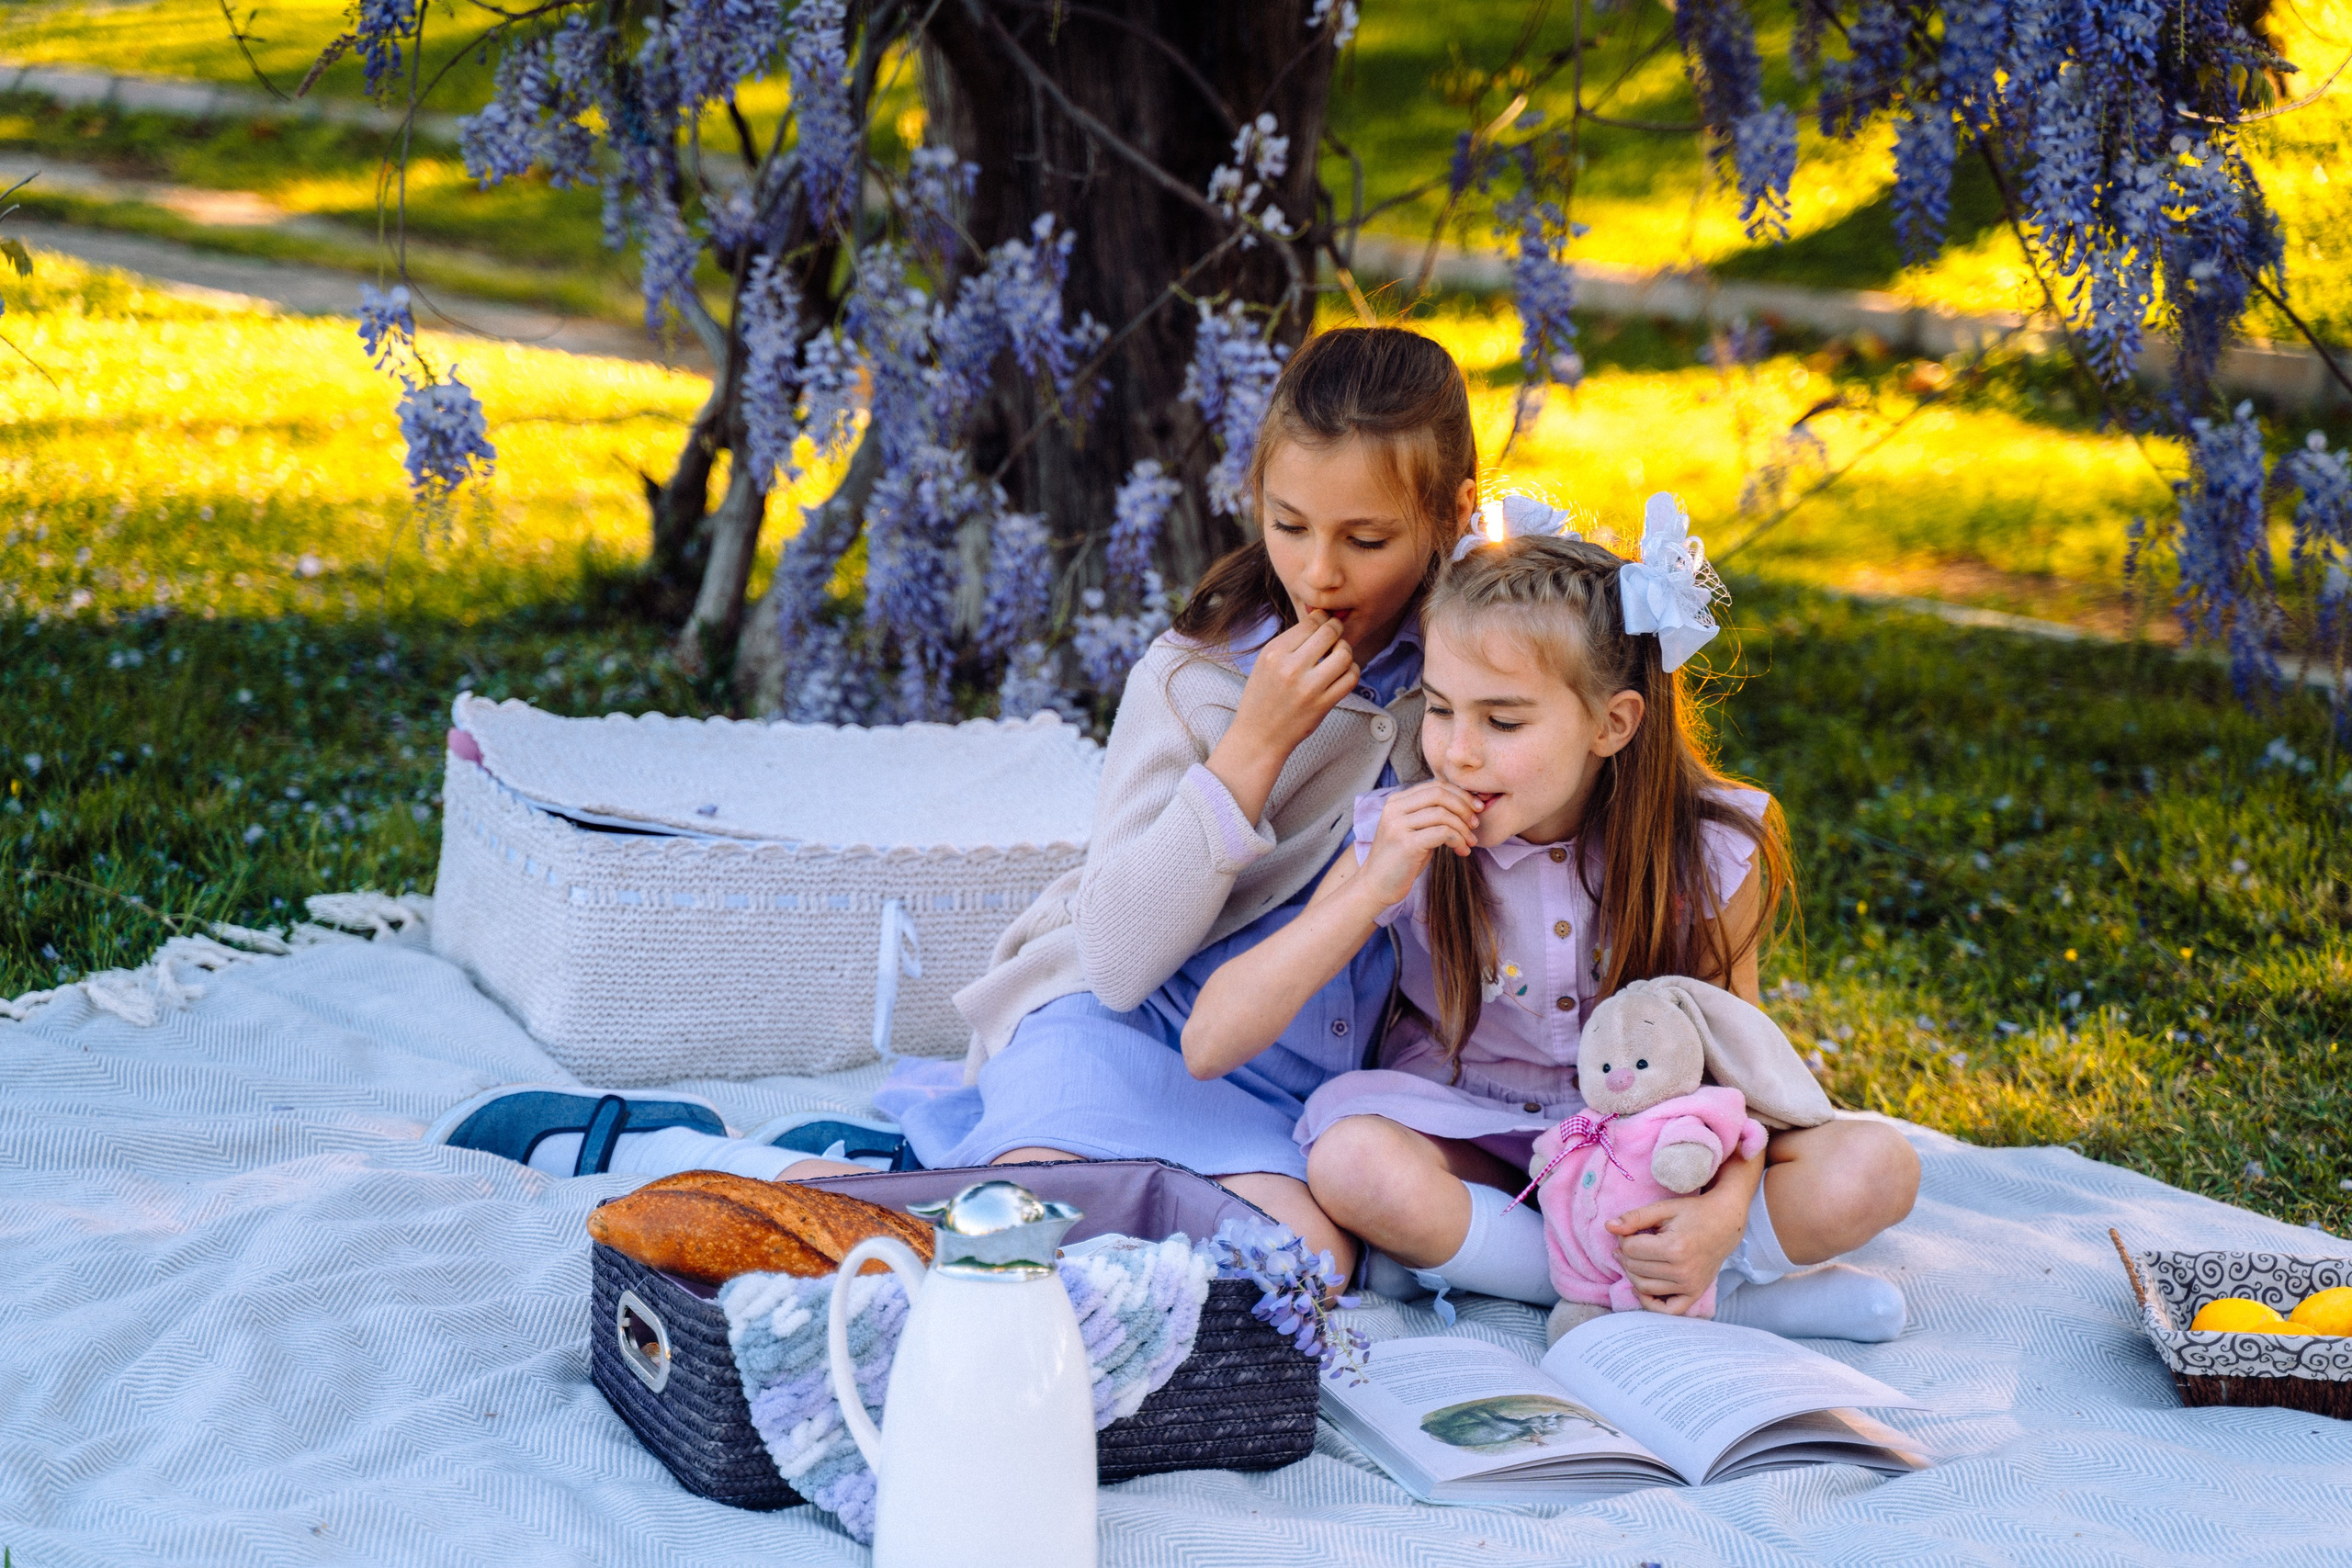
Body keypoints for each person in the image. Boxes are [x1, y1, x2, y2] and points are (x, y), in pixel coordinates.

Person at [427, 326, 1478, 1272]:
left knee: (1301, 1265)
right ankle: (695, 1158)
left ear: (1450, 516)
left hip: (1280, 1082)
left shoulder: (1472, 680)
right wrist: (1251, 751)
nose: (1318, 572)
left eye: (1366, 540)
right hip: (1119, 1027)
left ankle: (860, 1166)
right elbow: (1114, 959)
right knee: (1020, 1227)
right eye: (1288, 525)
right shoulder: (1194, 679)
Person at [1181, 523, 1920, 1340]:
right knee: (1351, 1162)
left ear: (1613, 724)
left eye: (1504, 721)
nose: (1457, 753)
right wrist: (1369, 890)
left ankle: (1624, 1264)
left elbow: (1744, 1067)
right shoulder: (1401, 835)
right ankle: (1666, 1290)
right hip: (1480, 1132)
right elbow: (1209, 1042)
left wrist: (1722, 1210)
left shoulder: (1706, 850)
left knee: (1875, 1169)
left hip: (1658, 1144)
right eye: (1440, 708)